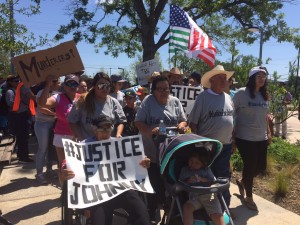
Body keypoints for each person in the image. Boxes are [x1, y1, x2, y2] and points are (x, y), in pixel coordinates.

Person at [61, 114, 151, 225]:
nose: (105, 132)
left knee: (142, 214)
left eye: (108, 129)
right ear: (94, 130)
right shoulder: (84, 145)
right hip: (97, 194)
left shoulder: (119, 144)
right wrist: (65, 170)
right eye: (102, 129)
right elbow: (68, 161)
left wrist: (143, 162)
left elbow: (135, 161)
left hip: (121, 190)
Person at [135, 75, 187, 224]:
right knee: (153, 186)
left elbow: (183, 119)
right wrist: (151, 130)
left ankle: (171, 211)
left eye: (166, 89)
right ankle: (151, 214)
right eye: (160, 89)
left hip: (170, 152)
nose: (164, 92)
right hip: (151, 152)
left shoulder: (175, 101)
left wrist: (182, 125)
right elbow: (138, 122)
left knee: (170, 186)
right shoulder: (148, 102)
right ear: (153, 91)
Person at [188, 65, 235, 217]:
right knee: (207, 179)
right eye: (220, 78)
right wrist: (199, 145)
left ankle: (224, 209)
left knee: (224, 179)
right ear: (212, 80)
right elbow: (193, 123)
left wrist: (233, 140)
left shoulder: (228, 97)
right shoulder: (203, 97)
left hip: (225, 146)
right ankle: (207, 210)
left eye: (225, 78)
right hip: (207, 147)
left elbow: (232, 121)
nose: (224, 81)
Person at [233, 66, 271, 211]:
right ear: (252, 78)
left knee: (261, 167)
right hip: (244, 137)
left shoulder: (264, 94)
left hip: (261, 137)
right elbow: (231, 112)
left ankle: (243, 182)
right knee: (250, 166)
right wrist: (232, 134)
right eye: (258, 76)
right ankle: (249, 197)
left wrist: (268, 132)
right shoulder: (241, 93)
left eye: (264, 76)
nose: (262, 78)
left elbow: (265, 116)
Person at [39, 74, 80, 184]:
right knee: (63, 166)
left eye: (75, 83)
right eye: (69, 83)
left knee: (78, 165)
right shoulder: (58, 97)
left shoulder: (82, 98)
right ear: (64, 85)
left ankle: (76, 191)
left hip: (78, 136)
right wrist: (48, 84)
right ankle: (64, 193)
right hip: (62, 136)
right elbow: (42, 104)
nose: (72, 86)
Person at [67, 72, 126, 140]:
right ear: (94, 86)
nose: (104, 88)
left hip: (109, 146)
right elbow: (72, 122)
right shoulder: (82, 102)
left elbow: (121, 121)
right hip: (87, 146)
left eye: (107, 85)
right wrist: (78, 136)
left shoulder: (114, 102)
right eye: (101, 85)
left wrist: (118, 134)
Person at [180, 151, 225, 225]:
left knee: (217, 215)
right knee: (187, 207)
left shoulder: (206, 170)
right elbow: (180, 182)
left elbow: (213, 182)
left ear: (203, 164)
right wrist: (188, 181)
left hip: (208, 197)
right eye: (191, 161)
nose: (193, 164)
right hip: (194, 198)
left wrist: (202, 179)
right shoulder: (185, 170)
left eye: (197, 163)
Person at [34, 79, 61, 184]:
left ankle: (49, 170)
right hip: (42, 124)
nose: (59, 84)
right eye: (58, 82)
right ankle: (39, 173)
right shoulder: (41, 93)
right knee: (43, 148)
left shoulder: (58, 94)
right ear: (52, 83)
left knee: (51, 148)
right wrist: (55, 115)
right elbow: (41, 108)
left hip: (53, 124)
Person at [6, 75, 36, 163]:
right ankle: (23, 157)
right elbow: (10, 103)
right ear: (11, 82)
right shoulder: (12, 91)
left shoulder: (18, 89)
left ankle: (22, 154)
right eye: (15, 81)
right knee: (23, 136)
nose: (17, 82)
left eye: (18, 80)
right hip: (20, 115)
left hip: (23, 114)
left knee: (23, 136)